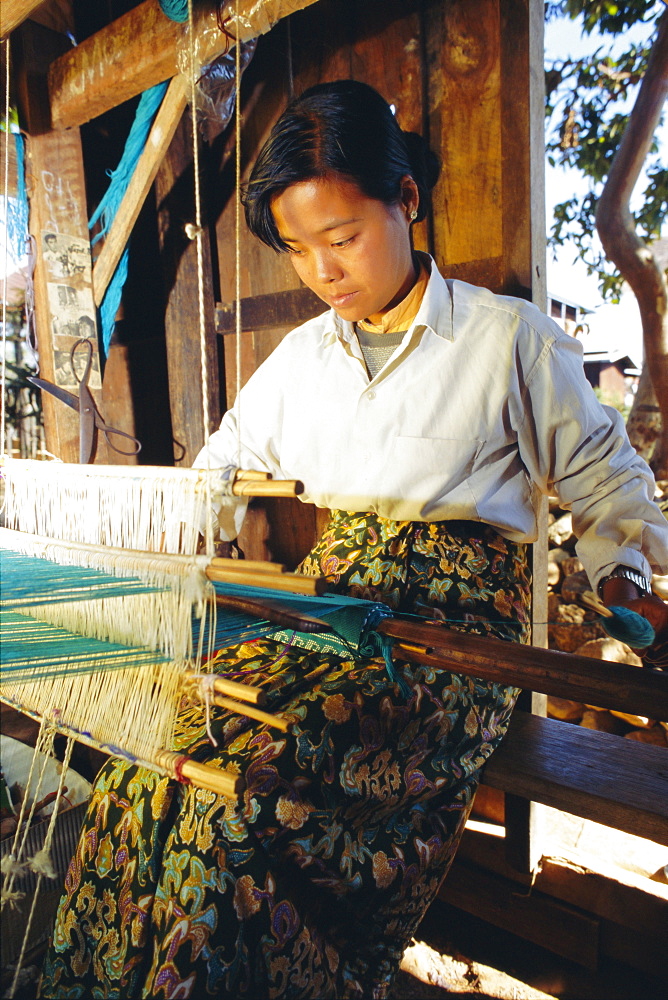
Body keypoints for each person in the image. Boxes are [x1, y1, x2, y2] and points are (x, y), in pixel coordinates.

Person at [41, 80, 668, 1000]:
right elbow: (216, 474)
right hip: (333, 611)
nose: (324, 272)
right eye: (299, 250)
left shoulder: (506, 342)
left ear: (407, 198)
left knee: (252, 793)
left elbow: (607, 480)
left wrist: (623, 573)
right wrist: (129, 544)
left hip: (451, 643)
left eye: (342, 238)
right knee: (164, 761)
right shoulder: (302, 361)